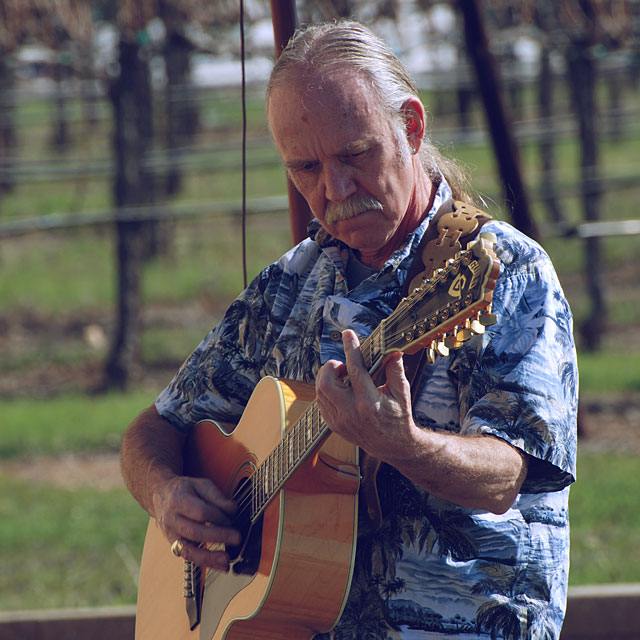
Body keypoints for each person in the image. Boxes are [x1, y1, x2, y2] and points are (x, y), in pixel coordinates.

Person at [121, 20, 578, 640]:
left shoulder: (501, 272)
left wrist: (404, 444)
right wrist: (166, 495)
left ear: (411, 128)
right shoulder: (291, 282)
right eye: (304, 168)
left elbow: (508, 475)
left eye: (355, 155)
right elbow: (156, 427)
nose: (333, 190)